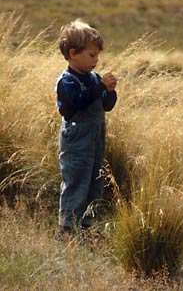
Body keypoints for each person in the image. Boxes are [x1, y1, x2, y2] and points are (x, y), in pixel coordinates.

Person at [55, 19, 117, 237]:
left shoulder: (93, 78)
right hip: (76, 139)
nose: (96, 60)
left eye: (97, 56)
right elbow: (78, 102)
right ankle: (67, 228)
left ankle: (87, 225)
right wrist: (99, 87)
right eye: (92, 55)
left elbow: (106, 106)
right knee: (76, 180)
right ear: (73, 53)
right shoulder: (67, 81)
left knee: (94, 180)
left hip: (95, 138)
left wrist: (108, 91)